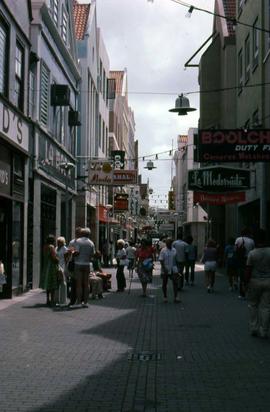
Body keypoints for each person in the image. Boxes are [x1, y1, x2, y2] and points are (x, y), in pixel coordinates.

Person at [245, 229, 270, 338]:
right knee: (266, 307)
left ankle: (254, 328)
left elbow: (248, 269)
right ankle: (264, 330)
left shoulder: (252, 253)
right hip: (268, 281)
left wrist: (245, 282)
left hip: (254, 281)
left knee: (253, 305)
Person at [73, 227, 95, 307]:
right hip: (87, 264)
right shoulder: (91, 243)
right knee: (86, 284)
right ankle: (86, 302)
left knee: (79, 284)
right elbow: (93, 255)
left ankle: (79, 302)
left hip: (78, 263)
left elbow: (77, 253)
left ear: (82, 233)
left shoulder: (78, 241)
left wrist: (72, 253)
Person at [159, 237, 181, 303]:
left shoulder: (174, 250)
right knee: (164, 283)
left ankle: (176, 297)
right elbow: (161, 260)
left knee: (175, 283)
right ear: (166, 243)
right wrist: (164, 268)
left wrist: (178, 268)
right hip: (165, 268)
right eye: (168, 243)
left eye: (170, 243)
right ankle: (165, 297)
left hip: (173, 268)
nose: (169, 244)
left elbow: (176, 259)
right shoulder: (163, 250)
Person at [235, 228, 255, 299]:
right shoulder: (252, 241)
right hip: (249, 259)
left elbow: (235, 249)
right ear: (248, 233)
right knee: (249, 275)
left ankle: (241, 293)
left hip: (240, 259)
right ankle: (248, 291)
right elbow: (253, 250)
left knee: (241, 276)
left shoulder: (238, 239)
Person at [39, 235, 59, 306]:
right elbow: (53, 257)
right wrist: (58, 259)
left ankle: (47, 299)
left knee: (48, 285)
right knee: (52, 284)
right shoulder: (51, 247)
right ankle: (52, 300)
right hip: (51, 267)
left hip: (46, 265)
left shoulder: (45, 247)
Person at [66, 227, 82, 306]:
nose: (78, 234)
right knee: (73, 283)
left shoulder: (83, 242)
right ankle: (72, 300)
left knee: (81, 283)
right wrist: (70, 252)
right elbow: (69, 252)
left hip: (81, 264)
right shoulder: (72, 242)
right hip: (74, 264)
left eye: (79, 233)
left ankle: (80, 300)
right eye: (77, 233)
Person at [55, 236, 68, 306]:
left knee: (63, 283)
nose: (58, 243)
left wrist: (65, 268)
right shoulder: (56, 248)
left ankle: (63, 300)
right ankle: (56, 299)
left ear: (62, 242)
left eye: (59, 242)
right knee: (57, 284)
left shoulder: (65, 249)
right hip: (57, 267)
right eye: (57, 242)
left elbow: (66, 260)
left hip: (62, 267)